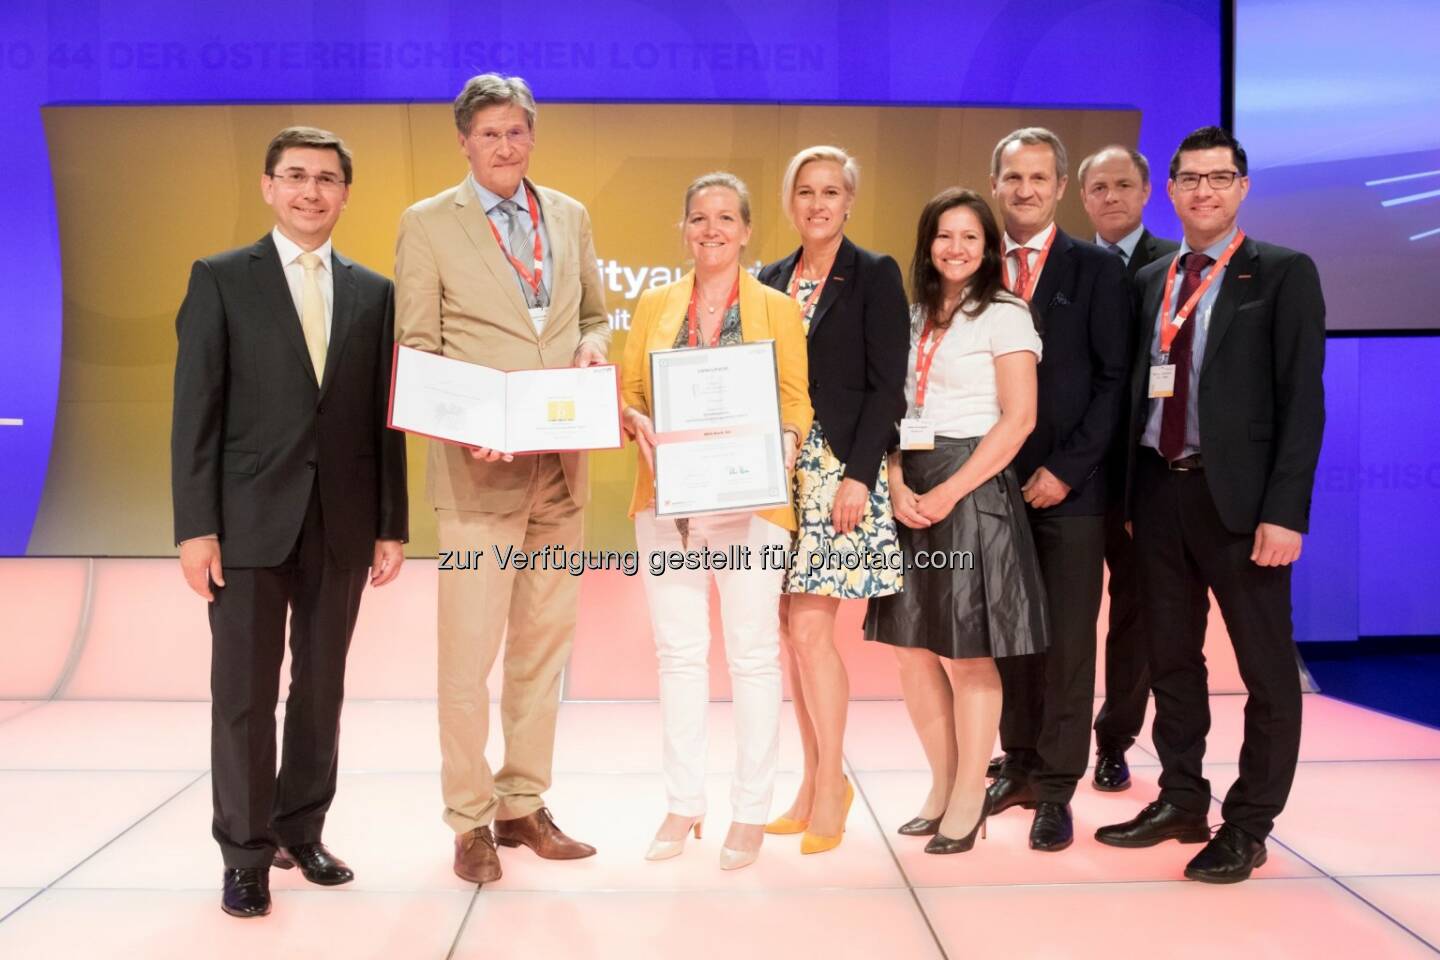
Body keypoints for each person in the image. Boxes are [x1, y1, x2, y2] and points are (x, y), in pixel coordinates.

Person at [171, 126, 408, 918]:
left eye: (328, 179)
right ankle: (243, 854)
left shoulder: (373, 292)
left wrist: (391, 523)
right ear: (269, 186)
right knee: (242, 693)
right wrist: (194, 526)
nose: (312, 191)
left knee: (321, 688)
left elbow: (385, 419)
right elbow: (193, 415)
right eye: (296, 176)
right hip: (244, 524)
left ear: (346, 193)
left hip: (340, 523)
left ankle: (299, 829)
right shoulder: (219, 278)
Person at [394, 73, 609, 885]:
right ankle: (469, 820)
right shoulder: (426, 224)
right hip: (478, 478)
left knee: (542, 652)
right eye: (489, 133)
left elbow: (592, 314)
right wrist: (464, 422)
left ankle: (523, 803)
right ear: (464, 140)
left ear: (532, 135)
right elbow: (418, 347)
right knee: (468, 658)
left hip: (561, 469)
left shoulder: (570, 215)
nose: (505, 145)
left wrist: (591, 348)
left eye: (517, 131)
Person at [1096, 127, 1325, 884]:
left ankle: (1250, 822)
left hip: (1244, 505)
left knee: (1265, 672)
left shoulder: (1284, 274)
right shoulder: (1149, 278)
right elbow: (1134, 391)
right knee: (1170, 661)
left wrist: (1285, 512)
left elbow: (1302, 404)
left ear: (1243, 186)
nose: (1203, 191)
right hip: (1159, 493)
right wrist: (1127, 496)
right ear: (1171, 189)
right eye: (1189, 179)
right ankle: (1183, 797)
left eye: (1219, 178)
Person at [621, 172, 811, 871]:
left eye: (725, 217)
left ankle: (751, 809)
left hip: (750, 506)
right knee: (678, 654)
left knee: (753, 655)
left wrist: (782, 448)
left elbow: (797, 404)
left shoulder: (776, 309)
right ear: (683, 228)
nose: (711, 229)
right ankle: (683, 802)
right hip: (668, 503)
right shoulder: (654, 304)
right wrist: (635, 417)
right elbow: (632, 392)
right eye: (698, 217)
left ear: (747, 229)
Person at [864, 187, 1046, 854]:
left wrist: (952, 491)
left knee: (967, 653)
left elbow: (1019, 419)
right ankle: (941, 785)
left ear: (989, 247)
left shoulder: (1005, 313)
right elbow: (889, 409)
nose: (956, 248)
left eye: (970, 236)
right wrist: (893, 479)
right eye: (944, 235)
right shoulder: (910, 317)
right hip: (909, 480)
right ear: (927, 243)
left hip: (973, 488)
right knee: (913, 650)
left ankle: (972, 793)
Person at [755, 146, 909, 854]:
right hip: (780, 472)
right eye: (805, 192)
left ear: (849, 200)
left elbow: (888, 388)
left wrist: (858, 474)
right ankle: (814, 780)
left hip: (840, 472)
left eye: (831, 192)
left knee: (814, 630)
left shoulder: (874, 274)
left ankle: (830, 787)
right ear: (791, 202)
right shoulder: (773, 277)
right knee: (790, 629)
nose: (817, 204)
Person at [986, 128, 1131, 852]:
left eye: (1039, 177)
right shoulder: (973, 266)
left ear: (1060, 187)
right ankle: (1016, 761)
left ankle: (1056, 788)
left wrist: (1067, 468)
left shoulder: (1100, 273)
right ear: (995, 185)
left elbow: (1113, 385)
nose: (1025, 189)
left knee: (1069, 642)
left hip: (1071, 493)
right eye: (1013, 177)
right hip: (989, 487)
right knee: (1008, 637)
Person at [1078, 145, 1180, 791]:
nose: (1111, 196)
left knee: (1137, 616)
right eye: (1098, 186)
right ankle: (1033, 742)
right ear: (1081, 196)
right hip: (1073, 473)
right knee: (1060, 615)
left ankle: (1115, 740)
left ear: (1146, 192)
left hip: (1145, 474)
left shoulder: (1177, 267)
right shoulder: (1071, 264)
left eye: (1123, 184)